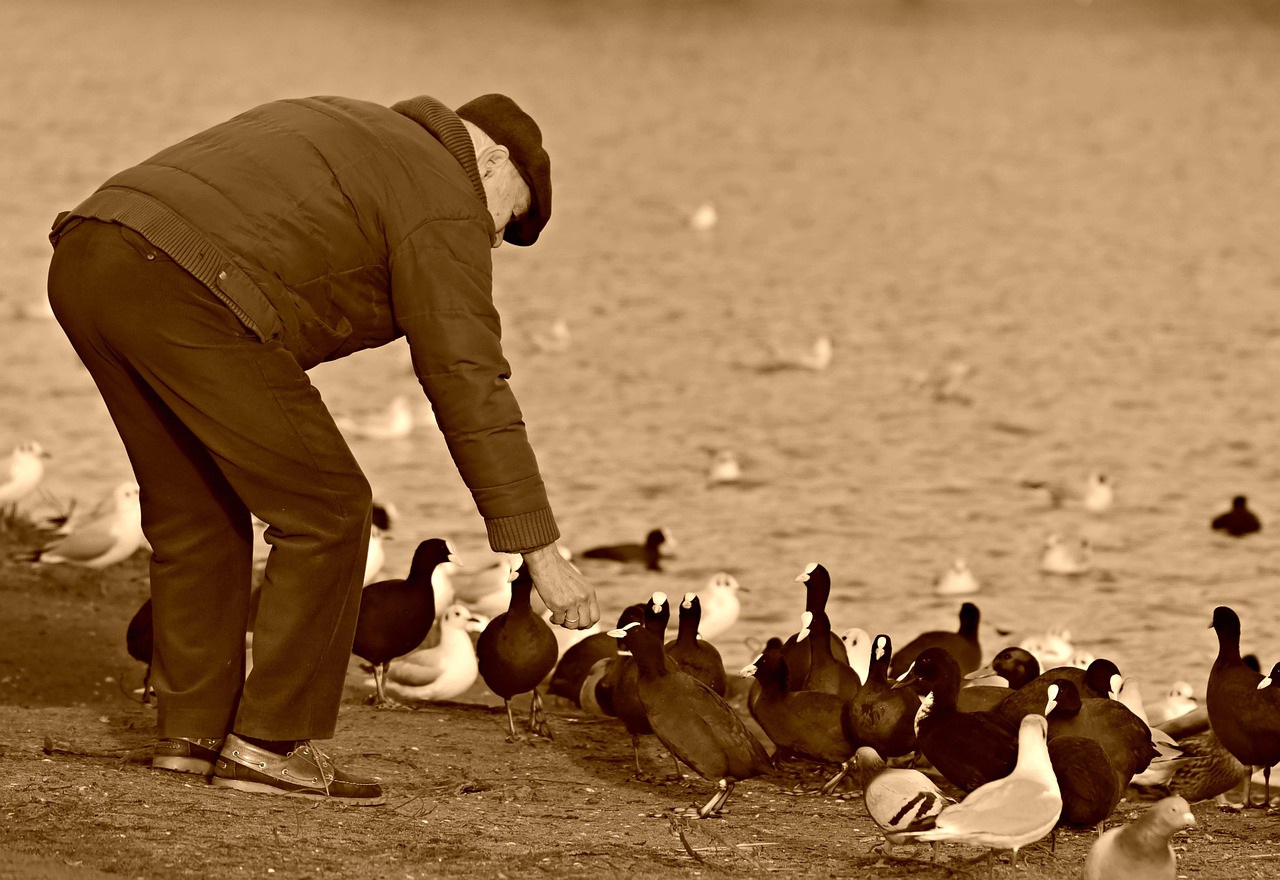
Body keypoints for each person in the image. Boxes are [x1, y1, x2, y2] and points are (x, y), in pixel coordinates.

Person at [46, 92, 601, 805]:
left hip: (93, 252)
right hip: (187, 284)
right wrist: (539, 551)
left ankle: (188, 738)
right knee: (332, 508)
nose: (492, 241)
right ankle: (271, 744)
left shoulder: (348, 119)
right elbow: (468, 382)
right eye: (507, 218)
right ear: (490, 163)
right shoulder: (443, 196)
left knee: (197, 508)